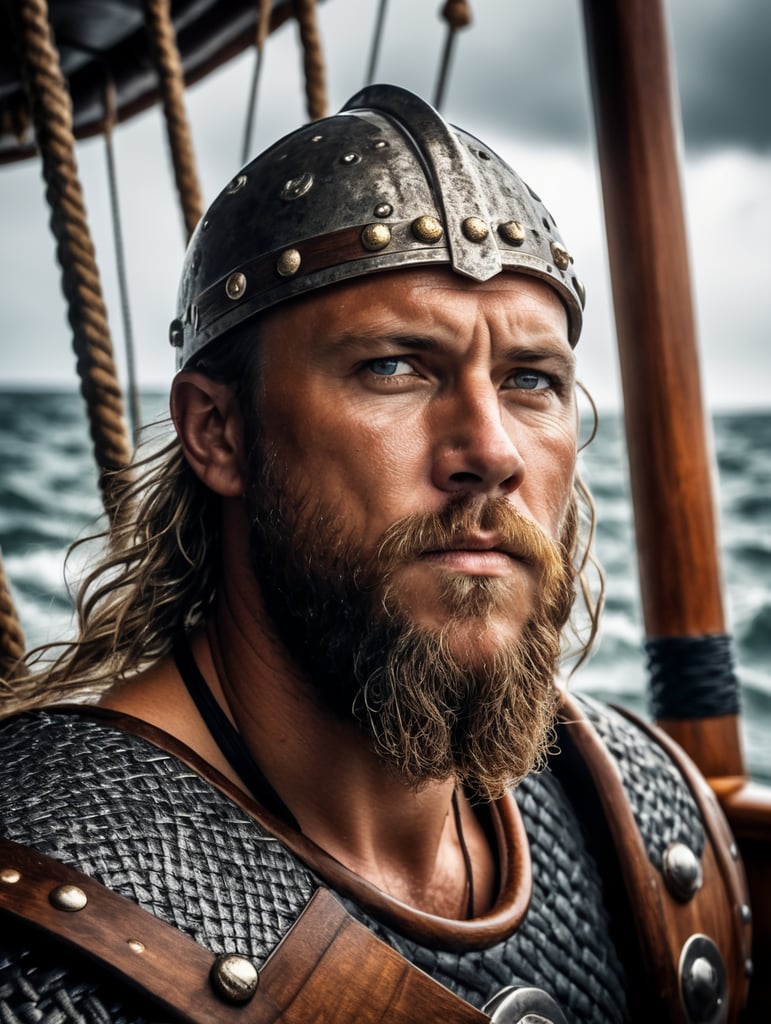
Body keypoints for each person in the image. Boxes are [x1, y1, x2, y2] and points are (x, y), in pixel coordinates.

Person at [0, 85, 750, 1023]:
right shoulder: (44, 914)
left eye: (530, 381)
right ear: (219, 433)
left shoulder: (640, 818)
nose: (490, 453)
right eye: (394, 367)